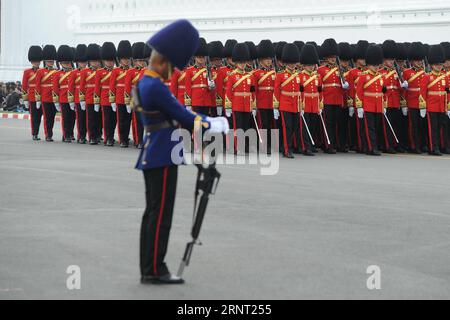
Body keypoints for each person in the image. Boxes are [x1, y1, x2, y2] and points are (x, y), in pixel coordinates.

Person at [136, 19, 229, 285]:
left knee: (152, 213)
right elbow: (182, 115)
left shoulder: (145, 82)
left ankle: (149, 266)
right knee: (161, 215)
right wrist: (213, 123)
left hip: (154, 151)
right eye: (173, 66)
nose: (174, 72)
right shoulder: (155, 86)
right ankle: (155, 269)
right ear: (163, 61)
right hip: (163, 155)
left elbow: (176, 112)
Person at [318, 38, 349, 154]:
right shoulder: (321, 70)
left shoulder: (339, 69)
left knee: (338, 123)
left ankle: (337, 144)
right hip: (327, 100)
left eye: (334, 57)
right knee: (328, 124)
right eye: (330, 57)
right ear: (326, 57)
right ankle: (328, 145)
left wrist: (345, 84)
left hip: (338, 99)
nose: (332, 59)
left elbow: (341, 83)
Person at [225, 43, 257, 154]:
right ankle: (238, 147)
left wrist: (253, 106)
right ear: (236, 62)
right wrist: (228, 106)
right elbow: (228, 92)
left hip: (247, 105)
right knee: (238, 127)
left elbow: (252, 92)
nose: (242, 65)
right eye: (240, 62)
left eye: (244, 62)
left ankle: (245, 146)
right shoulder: (232, 76)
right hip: (237, 105)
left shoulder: (250, 76)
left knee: (246, 126)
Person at [355, 45, 387, 156]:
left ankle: (372, 146)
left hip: (378, 105)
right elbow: (358, 92)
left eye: (378, 64)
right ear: (369, 65)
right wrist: (359, 106)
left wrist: (384, 105)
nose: (376, 67)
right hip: (367, 105)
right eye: (374, 65)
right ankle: (371, 148)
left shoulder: (381, 77)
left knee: (376, 128)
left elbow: (384, 92)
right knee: (370, 128)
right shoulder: (363, 76)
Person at [380, 40, 409, 154]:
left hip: (396, 101)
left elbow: (398, 89)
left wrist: (403, 86)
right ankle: (388, 145)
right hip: (386, 101)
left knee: (397, 125)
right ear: (384, 60)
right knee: (387, 125)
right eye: (389, 59)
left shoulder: (396, 72)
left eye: (392, 59)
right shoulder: (381, 72)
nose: (392, 61)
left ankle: (397, 144)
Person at [274, 43, 302, 158]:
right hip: (285, 104)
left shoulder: (298, 75)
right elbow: (276, 91)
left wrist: (302, 105)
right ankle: (287, 149)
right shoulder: (280, 75)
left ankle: (290, 147)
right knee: (287, 128)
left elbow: (302, 91)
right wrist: (276, 106)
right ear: (286, 62)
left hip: (296, 104)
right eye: (290, 62)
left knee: (295, 127)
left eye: (293, 62)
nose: (292, 65)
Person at [421, 45, 449, 156]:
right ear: (432, 65)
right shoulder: (427, 77)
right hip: (431, 106)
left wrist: (447, 105)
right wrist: (423, 107)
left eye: (441, 64)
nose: (439, 66)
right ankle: (433, 148)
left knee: (442, 128)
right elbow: (422, 93)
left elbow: (447, 91)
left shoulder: (444, 77)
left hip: (442, 106)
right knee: (433, 129)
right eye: (437, 65)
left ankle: (443, 146)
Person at [403, 42, 428, 154]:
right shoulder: (406, 73)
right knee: (414, 126)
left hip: (423, 103)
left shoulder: (425, 73)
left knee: (423, 125)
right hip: (412, 103)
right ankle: (414, 145)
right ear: (412, 60)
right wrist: (404, 104)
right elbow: (403, 90)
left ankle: (423, 144)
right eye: (417, 60)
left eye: (420, 60)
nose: (419, 62)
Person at [299, 44, 323, 156]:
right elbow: (299, 92)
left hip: (315, 104)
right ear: (304, 65)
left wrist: (320, 105)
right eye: (308, 65)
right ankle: (306, 146)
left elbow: (320, 91)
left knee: (313, 125)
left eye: (312, 65)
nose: (311, 67)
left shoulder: (317, 77)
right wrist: (301, 105)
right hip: (305, 104)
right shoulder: (300, 76)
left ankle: (312, 145)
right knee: (305, 126)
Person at [253, 40, 276, 153]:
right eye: (267, 59)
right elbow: (254, 90)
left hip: (271, 103)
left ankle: (271, 144)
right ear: (261, 60)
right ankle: (263, 145)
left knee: (271, 125)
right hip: (261, 103)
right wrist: (254, 104)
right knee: (263, 125)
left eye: (270, 59)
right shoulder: (256, 73)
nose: (269, 61)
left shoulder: (274, 73)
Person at [110, 40, 133, 148]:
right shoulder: (115, 71)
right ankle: (122, 139)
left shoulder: (132, 71)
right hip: (119, 98)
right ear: (120, 59)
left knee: (128, 120)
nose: (127, 60)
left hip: (131, 98)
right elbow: (112, 86)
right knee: (122, 120)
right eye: (124, 58)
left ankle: (126, 137)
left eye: (128, 58)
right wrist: (112, 100)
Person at [125, 42, 147, 148]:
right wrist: (127, 101)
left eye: (143, 60)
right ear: (135, 61)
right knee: (138, 122)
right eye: (139, 60)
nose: (141, 63)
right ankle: (139, 141)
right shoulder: (131, 72)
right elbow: (128, 87)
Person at [95, 42, 117, 147]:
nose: (110, 62)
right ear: (104, 60)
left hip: (116, 98)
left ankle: (111, 136)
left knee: (114, 120)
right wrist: (97, 101)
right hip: (104, 98)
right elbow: (97, 87)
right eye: (108, 60)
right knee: (107, 120)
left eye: (112, 60)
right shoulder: (99, 72)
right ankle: (108, 138)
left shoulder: (117, 71)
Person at [35, 45, 58, 142]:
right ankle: (48, 135)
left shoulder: (56, 71)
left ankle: (50, 133)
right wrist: (38, 99)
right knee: (47, 117)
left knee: (52, 117)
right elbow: (37, 86)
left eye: (52, 61)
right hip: (45, 97)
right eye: (49, 61)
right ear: (45, 61)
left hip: (55, 98)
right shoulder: (40, 71)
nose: (51, 63)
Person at [80, 44, 102, 145]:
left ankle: (98, 135)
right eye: (93, 61)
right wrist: (82, 100)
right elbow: (82, 86)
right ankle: (92, 137)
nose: (95, 63)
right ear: (89, 61)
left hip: (100, 98)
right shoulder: (85, 72)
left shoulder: (101, 71)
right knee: (91, 119)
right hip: (89, 97)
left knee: (99, 119)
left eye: (96, 61)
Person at [53, 45, 75, 143]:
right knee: (66, 118)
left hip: (73, 98)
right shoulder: (57, 74)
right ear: (61, 63)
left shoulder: (74, 72)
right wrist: (56, 101)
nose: (67, 64)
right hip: (63, 98)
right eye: (64, 62)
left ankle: (70, 133)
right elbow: (55, 88)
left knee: (73, 118)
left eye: (68, 62)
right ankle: (66, 135)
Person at [22, 46, 43, 140]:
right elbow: (24, 86)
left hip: (42, 97)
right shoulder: (27, 72)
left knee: (42, 117)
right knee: (35, 117)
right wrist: (25, 99)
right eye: (34, 61)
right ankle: (35, 133)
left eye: (38, 61)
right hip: (32, 97)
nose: (36, 63)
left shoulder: (42, 71)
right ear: (31, 62)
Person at [69, 44, 88, 144]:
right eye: (81, 62)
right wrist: (71, 100)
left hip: (88, 98)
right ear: (77, 62)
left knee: (87, 119)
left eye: (84, 61)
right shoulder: (74, 73)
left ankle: (85, 135)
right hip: (78, 98)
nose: (83, 63)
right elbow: (71, 87)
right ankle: (81, 136)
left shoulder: (90, 72)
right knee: (80, 118)